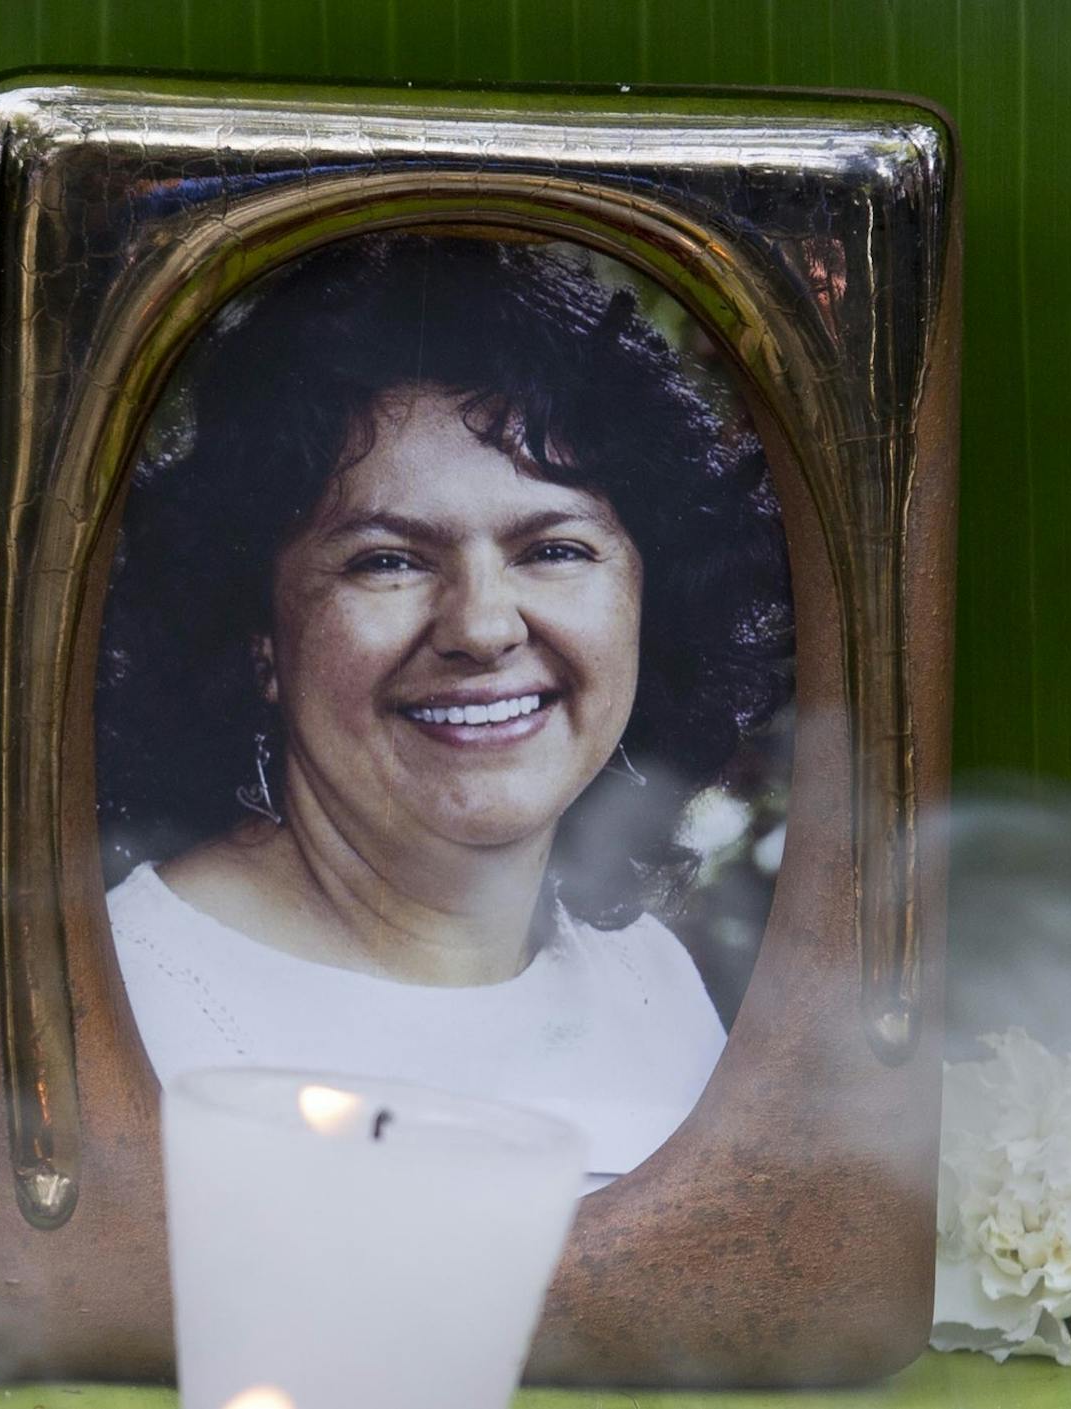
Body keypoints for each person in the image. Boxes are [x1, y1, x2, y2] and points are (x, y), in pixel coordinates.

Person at [95, 234, 793, 1184]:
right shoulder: (136, 1000)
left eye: (554, 549)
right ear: (256, 632)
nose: (482, 626)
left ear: (649, 601)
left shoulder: (648, 983)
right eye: (387, 559)